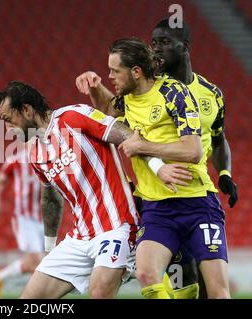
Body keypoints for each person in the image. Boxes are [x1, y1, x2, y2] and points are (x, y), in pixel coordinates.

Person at [0, 81, 188, 299]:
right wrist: (50, 248)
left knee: (99, 294)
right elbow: (50, 198)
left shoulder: (73, 117)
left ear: (27, 109)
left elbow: (125, 135)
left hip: (118, 226)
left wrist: (158, 167)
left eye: (9, 121)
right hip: (80, 236)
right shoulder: (35, 153)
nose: (8, 130)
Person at [75, 38, 230, 299]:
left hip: (197, 203)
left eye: (114, 71)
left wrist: (142, 146)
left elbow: (193, 151)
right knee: (146, 274)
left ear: (136, 72)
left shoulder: (173, 93)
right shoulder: (128, 97)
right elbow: (106, 109)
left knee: (217, 292)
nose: (110, 76)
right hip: (157, 209)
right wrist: (95, 84)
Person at [151, 18, 238, 299]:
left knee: (205, 284)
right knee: (179, 280)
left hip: (199, 197)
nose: (156, 50)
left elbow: (218, 139)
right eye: (153, 44)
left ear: (185, 46)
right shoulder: (150, 91)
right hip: (160, 201)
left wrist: (225, 174)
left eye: (164, 42)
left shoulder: (212, 94)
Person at [0, 143, 44, 299]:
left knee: (32, 263)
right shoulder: (15, 160)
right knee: (40, 262)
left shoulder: (43, 159)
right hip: (24, 219)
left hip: (41, 219)